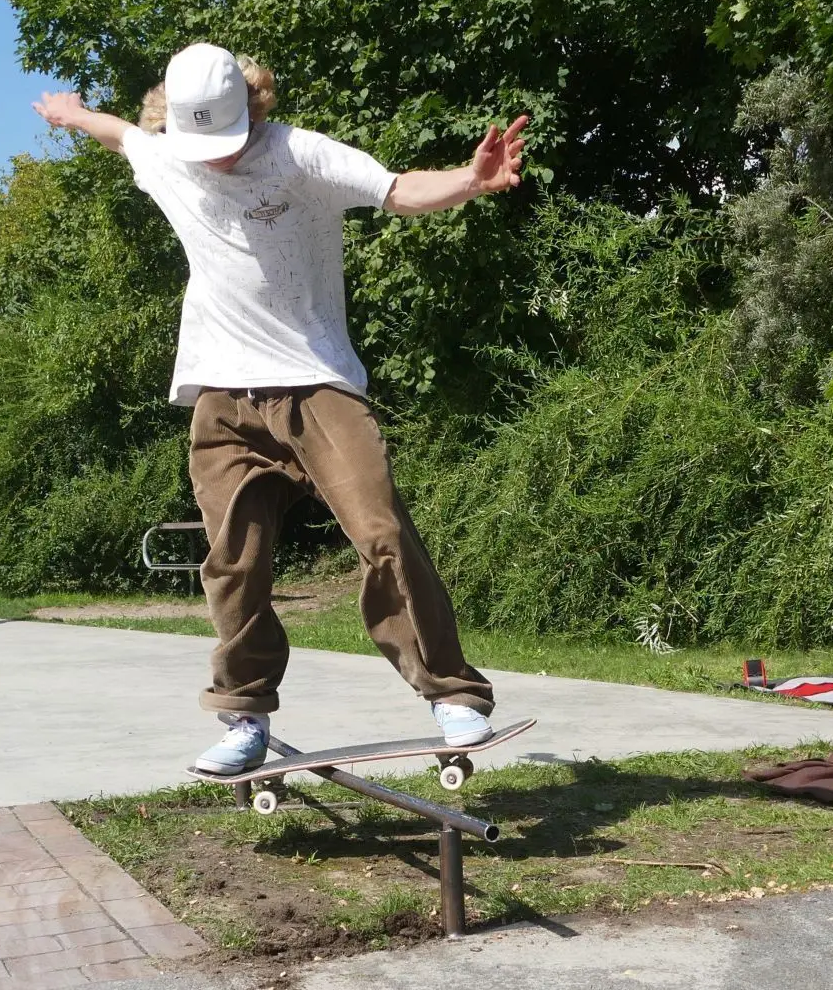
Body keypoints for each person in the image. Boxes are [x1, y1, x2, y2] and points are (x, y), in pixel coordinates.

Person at [32, 43, 529, 775]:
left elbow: (394, 189)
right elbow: (119, 133)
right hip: (221, 395)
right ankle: (242, 714)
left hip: (317, 382)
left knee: (382, 530)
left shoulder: (301, 155)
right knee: (234, 563)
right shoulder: (165, 154)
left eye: (228, 144)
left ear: (251, 108)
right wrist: (72, 116)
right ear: (175, 123)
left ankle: (451, 693)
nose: (218, 161)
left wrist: (470, 180)